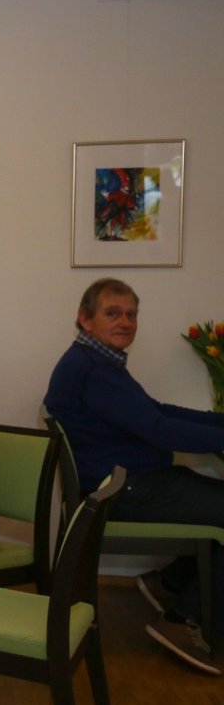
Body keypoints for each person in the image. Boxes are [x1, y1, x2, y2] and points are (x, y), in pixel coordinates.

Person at [44, 277, 224, 675]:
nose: (125, 322)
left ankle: (171, 584)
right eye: (113, 313)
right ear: (85, 319)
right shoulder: (95, 371)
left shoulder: (93, 361)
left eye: (131, 314)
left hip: (119, 483)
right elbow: (160, 430)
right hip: (123, 490)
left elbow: (154, 411)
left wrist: (217, 423)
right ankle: (182, 619)